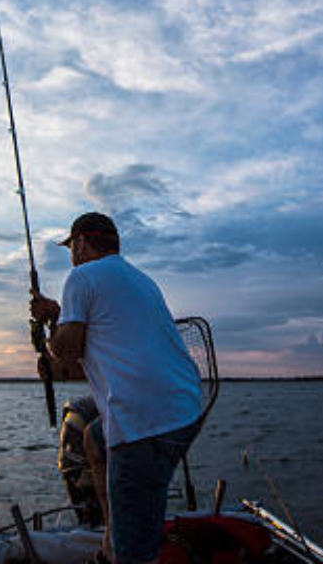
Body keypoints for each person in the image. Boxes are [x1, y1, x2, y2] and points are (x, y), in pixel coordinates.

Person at [30, 212, 202, 564]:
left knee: (135, 554)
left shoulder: (81, 276)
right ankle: (113, 535)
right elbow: (102, 347)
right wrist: (57, 317)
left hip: (144, 423)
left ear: (80, 242)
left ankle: (125, 548)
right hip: (185, 410)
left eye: (71, 248)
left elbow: (66, 350)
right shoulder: (138, 280)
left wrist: (50, 336)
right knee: (93, 437)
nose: (72, 256)